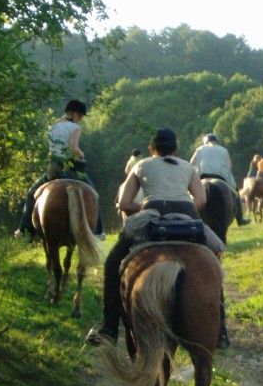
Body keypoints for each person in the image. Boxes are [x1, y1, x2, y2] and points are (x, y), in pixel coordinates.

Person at [91, 128, 231, 348]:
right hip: (186, 213)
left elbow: (125, 203)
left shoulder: (141, 165)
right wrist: (183, 209)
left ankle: (109, 327)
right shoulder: (186, 166)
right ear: (175, 150)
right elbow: (201, 199)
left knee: (112, 263)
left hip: (151, 213)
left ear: (151, 149)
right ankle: (220, 329)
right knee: (214, 260)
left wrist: (148, 207)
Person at [16, 99, 102, 241]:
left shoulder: (53, 126)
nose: (80, 119)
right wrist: (81, 154)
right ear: (72, 113)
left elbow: (51, 147)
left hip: (53, 169)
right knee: (94, 196)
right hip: (71, 169)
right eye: (79, 115)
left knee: (31, 194)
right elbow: (74, 148)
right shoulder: (75, 128)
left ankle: (25, 231)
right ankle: (98, 232)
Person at [190, 133, 250, 226]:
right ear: (216, 141)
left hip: (203, 176)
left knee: (189, 193)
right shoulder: (224, 150)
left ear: (205, 142)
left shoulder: (200, 149)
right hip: (220, 177)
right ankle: (240, 218)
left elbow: (192, 163)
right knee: (236, 192)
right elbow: (229, 166)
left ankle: (187, 215)